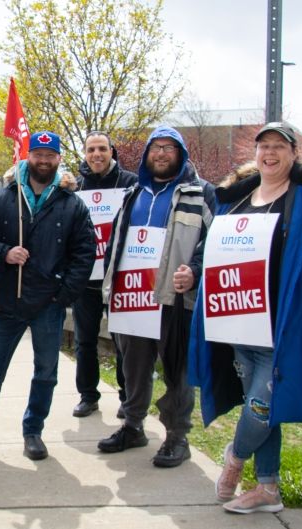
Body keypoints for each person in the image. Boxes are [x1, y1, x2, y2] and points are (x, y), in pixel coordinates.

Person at [188, 123, 302, 513]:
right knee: (256, 403)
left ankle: (235, 458)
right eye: (263, 146)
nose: (269, 154)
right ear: (254, 154)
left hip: (287, 324)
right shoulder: (236, 198)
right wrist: (193, 273)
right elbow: (213, 251)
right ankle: (268, 489)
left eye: (278, 147)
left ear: (294, 154)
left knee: (263, 406)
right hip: (239, 321)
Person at [0, 131, 95, 462]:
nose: (43, 160)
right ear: (27, 156)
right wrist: (3, 252)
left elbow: (84, 253)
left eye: (50, 155)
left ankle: (33, 430)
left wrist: (63, 295)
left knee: (46, 372)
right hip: (6, 302)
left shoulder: (72, 204)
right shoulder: (1, 199)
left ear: (59, 159)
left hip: (48, 304)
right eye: (38, 154)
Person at [97, 126, 215, 468]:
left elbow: (214, 241)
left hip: (174, 299)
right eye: (156, 148)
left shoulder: (201, 193)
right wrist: (111, 286)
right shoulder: (134, 193)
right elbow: (116, 242)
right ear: (147, 154)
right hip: (133, 296)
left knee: (176, 370)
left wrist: (194, 270)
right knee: (132, 366)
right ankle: (133, 426)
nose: (161, 154)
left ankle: (178, 437)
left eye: (169, 148)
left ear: (180, 154)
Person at [71, 131, 137, 419]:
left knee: (124, 342)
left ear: (112, 151)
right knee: (85, 341)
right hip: (86, 279)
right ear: (84, 154)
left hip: (119, 277)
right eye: (90, 149)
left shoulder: (130, 183)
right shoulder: (75, 186)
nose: (96, 154)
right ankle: (88, 396)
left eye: (102, 149)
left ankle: (126, 396)